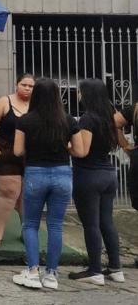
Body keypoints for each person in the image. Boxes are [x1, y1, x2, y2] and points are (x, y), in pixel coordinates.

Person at [11, 78, 81, 290]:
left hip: (35, 174)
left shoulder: (25, 120)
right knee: (55, 225)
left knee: (30, 224)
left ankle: (33, 271)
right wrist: (65, 146)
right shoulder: (68, 121)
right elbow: (79, 151)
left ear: (35, 95)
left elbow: (17, 151)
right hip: (62, 174)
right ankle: (51, 275)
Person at [68, 79, 134, 285]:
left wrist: (66, 145)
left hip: (89, 175)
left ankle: (95, 270)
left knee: (91, 224)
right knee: (107, 222)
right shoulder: (108, 116)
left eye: (80, 91)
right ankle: (116, 268)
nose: (78, 95)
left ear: (87, 94)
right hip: (108, 174)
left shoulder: (88, 119)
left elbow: (82, 151)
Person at [0, 73, 33, 249]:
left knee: (25, 196)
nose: (27, 88)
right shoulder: (4, 101)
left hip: (30, 156)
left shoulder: (36, 105)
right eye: (24, 85)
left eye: (31, 86)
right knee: (8, 192)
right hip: (6, 153)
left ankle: (26, 231)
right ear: (17, 84)